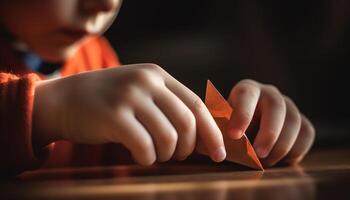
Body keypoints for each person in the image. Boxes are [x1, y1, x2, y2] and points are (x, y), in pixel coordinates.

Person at [0, 0, 315, 176]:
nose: (104, 3)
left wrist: (225, 137)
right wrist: (52, 109)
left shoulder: (95, 55)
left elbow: (129, 153)